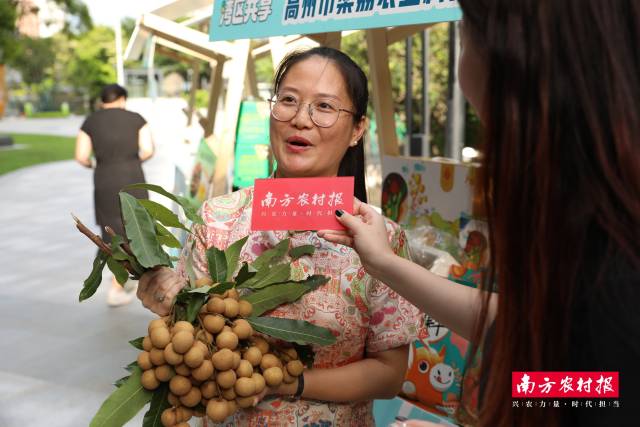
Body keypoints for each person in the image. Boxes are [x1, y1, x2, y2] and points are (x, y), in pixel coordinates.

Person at [319, 1, 640, 426]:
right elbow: (574, 367)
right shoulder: (594, 220)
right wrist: (385, 264)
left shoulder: (612, 267)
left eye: (465, 34)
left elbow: (599, 387)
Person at [137, 47, 424, 425]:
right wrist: (159, 292)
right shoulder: (219, 220)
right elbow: (185, 332)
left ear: (357, 129)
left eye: (324, 107)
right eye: (288, 100)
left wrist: (289, 384)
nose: (300, 119)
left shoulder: (381, 240)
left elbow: (389, 374)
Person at [75, 83, 155, 306]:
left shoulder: (90, 121)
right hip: (132, 175)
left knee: (111, 232)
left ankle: (117, 285)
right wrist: (133, 162)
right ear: (122, 99)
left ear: (102, 101)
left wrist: (95, 165)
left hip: (105, 177)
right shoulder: (137, 118)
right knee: (137, 226)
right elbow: (148, 149)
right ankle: (140, 278)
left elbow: (81, 155)